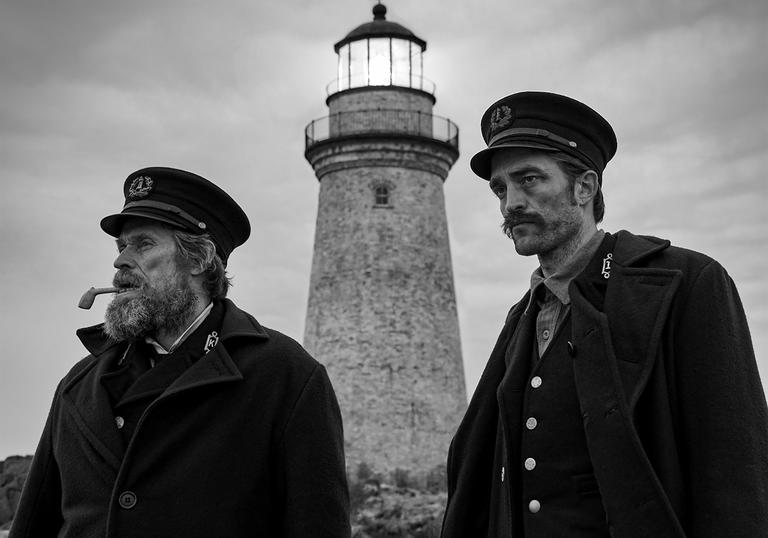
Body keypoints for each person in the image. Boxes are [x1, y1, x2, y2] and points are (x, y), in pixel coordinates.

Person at [441, 92, 768, 537]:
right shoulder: (522, 316)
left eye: (530, 179)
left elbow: (735, 466)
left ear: (585, 187)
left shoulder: (685, 281)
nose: (510, 202)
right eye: (500, 188)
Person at [11, 167, 351, 537]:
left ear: (199, 259)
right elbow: (34, 523)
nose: (120, 261)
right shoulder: (80, 384)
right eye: (121, 246)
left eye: (143, 244)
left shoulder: (286, 376)